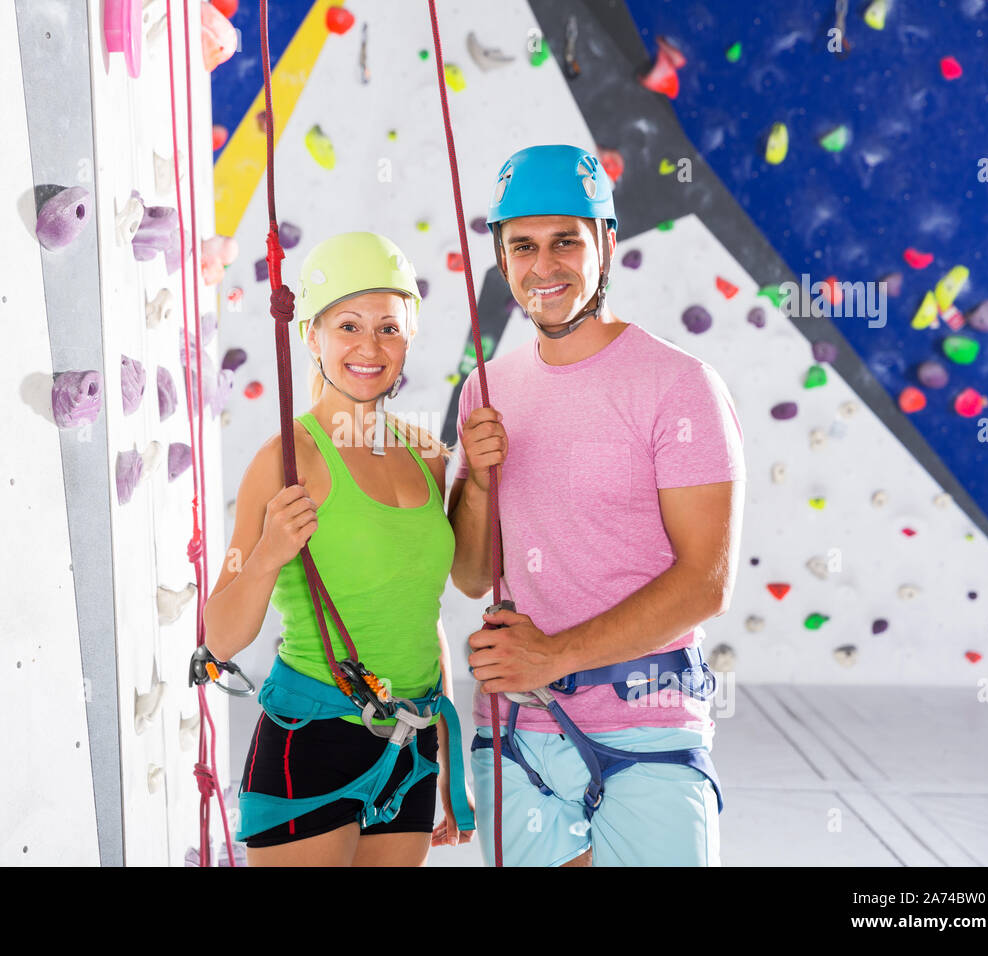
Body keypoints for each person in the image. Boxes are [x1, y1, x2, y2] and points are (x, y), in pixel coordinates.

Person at [449, 144, 747, 866]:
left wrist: (550, 656)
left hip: (647, 727)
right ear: (501, 256)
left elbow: (706, 581)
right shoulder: (486, 387)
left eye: (565, 242)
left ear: (607, 242)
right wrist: (481, 483)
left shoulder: (680, 386)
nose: (543, 267)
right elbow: (469, 573)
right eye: (522, 245)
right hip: (518, 736)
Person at [203, 231, 475, 866]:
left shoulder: (427, 456)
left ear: (408, 339)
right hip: (314, 738)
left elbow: (423, 609)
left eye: (389, 327)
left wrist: (445, 752)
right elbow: (218, 636)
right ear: (311, 336)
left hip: (409, 748)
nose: (369, 347)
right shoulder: (286, 461)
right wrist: (269, 551)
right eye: (349, 325)